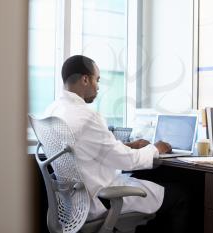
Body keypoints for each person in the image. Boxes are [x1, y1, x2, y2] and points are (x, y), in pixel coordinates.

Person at [44, 55, 189, 231]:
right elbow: (127, 161)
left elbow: (86, 149)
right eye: (97, 80)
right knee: (181, 196)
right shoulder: (87, 116)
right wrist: (155, 148)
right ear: (85, 79)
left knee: (151, 183)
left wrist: (129, 145)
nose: (97, 87)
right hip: (101, 199)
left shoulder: (52, 111)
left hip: (72, 203)